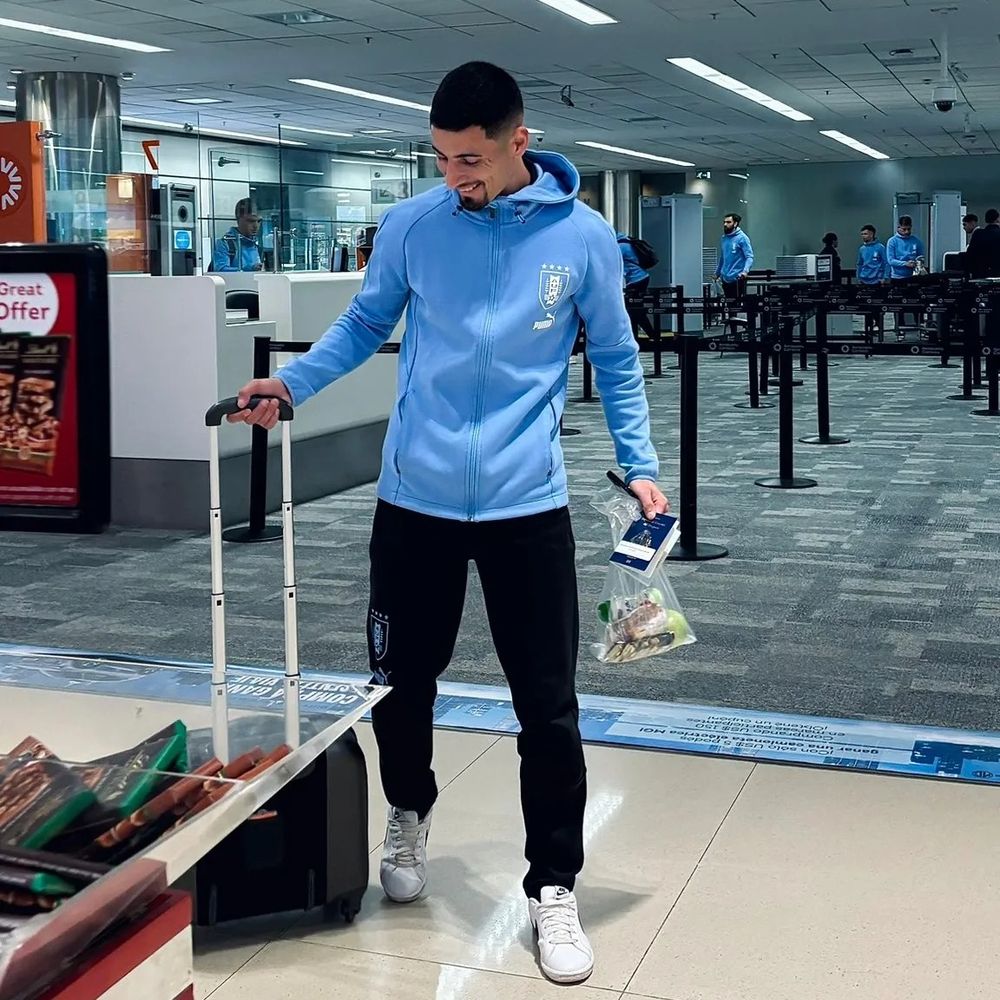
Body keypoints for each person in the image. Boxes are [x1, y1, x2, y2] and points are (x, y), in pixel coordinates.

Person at [226, 61, 668, 986]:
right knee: (401, 686)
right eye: (440, 159)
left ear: (520, 142)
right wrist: (292, 385)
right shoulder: (412, 227)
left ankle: (553, 887)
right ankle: (409, 810)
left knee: (546, 706)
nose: (454, 177)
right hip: (414, 502)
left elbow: (620, 362)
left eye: (469, 159)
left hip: (528, 506)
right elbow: (359, 326)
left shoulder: (582, 239)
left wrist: (643, 465)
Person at [886, 215, 926, 330]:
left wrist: (918, 263)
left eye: (908, 229)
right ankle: (900, 328)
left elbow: (921, 257)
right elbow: (890, 260)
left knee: (916, 304)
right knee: (898, 306)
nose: (906, 231)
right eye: (904, 229)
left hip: (913, 278)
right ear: (898, 228)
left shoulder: (916, 241)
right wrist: (905, 264)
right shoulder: (892, 241)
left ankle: (919, 326)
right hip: (898, 278)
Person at [617, 232, 655, 338]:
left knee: (634, 309)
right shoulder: (628, 243)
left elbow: (615, 265)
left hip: (636, 280)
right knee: (634, 309)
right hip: (641, 278)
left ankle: (650, 335)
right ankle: (639, 336)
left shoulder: (620, 247)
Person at [212, 198, 263, 272]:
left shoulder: (257, 245)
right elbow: (221, 271)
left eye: (259, 221)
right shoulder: (226, 243)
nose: (256, 226)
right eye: (250, 221)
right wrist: (249, 269)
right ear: (239, 219)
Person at [856, 225, 888, 339]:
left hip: (876, 281)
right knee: (866, 307)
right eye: (862, 234)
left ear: (872, 234)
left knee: (876, 307)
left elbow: (885, 263)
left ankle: (879, 327)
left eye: (865, 234)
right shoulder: (862, 249)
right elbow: (859, 264)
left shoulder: (880, 247)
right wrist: (858, 276)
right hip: (865, 280)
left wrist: (884, 277)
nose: (863, 236)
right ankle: (868, 329)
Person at [715, 212, 753, 302]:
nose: (725, 224)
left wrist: (745, 271)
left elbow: (749, 257)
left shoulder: (742, 238)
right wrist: (717, 273)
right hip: (725, 278)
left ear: (735, 223)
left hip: (737, 278)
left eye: (728, 222)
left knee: (735, 305)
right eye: (724, 222)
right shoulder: (724, 238)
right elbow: (723, 257)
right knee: (727, 305)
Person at [966, 207, 1000, 279]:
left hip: (981, 275)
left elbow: (970, 255)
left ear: (986, 220)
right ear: (997, 219)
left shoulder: (978, 233)